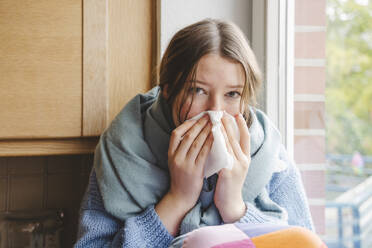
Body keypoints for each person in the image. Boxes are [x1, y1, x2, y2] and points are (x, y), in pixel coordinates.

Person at [74, 19, 319, 247]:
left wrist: (234, 207)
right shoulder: (122, 149)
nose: (216, 111)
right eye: (198, 91)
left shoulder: (270, 156)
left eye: (232, 94)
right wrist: (177, 199)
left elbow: (302, 240)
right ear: (168, 91)